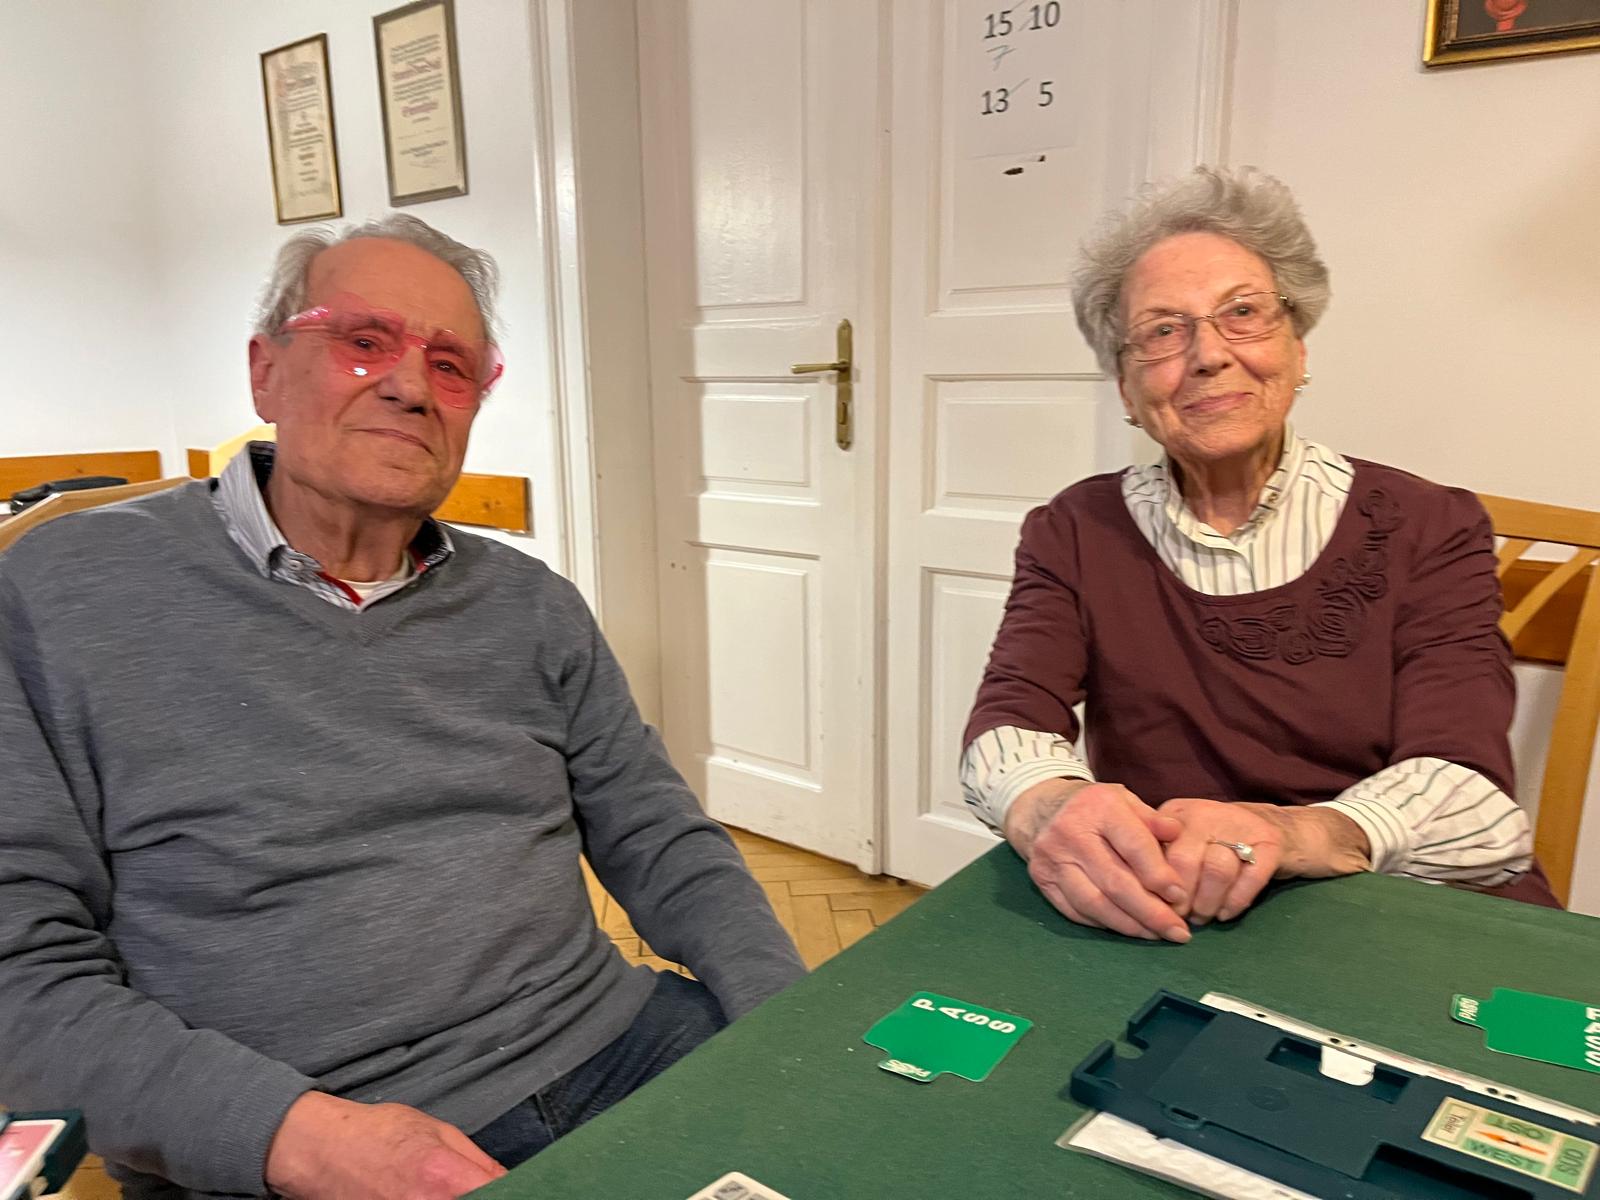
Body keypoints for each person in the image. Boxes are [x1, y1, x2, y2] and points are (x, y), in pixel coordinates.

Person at [0, 214, 805, 1200]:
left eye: (451, 366)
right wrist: (302, 1139)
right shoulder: (61, 594)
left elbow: (659, 834)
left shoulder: (530, 603)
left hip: (618, 1044)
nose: (411, 386)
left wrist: (788, 1019)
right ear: (265, 371)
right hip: (293, 1136)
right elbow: (18, 976)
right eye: (363, 340)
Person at [961, 166, 1555, 945]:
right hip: (1178, 910)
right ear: (1127, 391)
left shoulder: (1429, 524)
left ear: (1297, 350)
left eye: (1243, 313)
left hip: (1399, 910)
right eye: (1162, 331)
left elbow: (1466, 787)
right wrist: (1050, 805)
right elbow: (1008, 722)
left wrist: (1295, 834)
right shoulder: (1075, 528)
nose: (1208, 354)